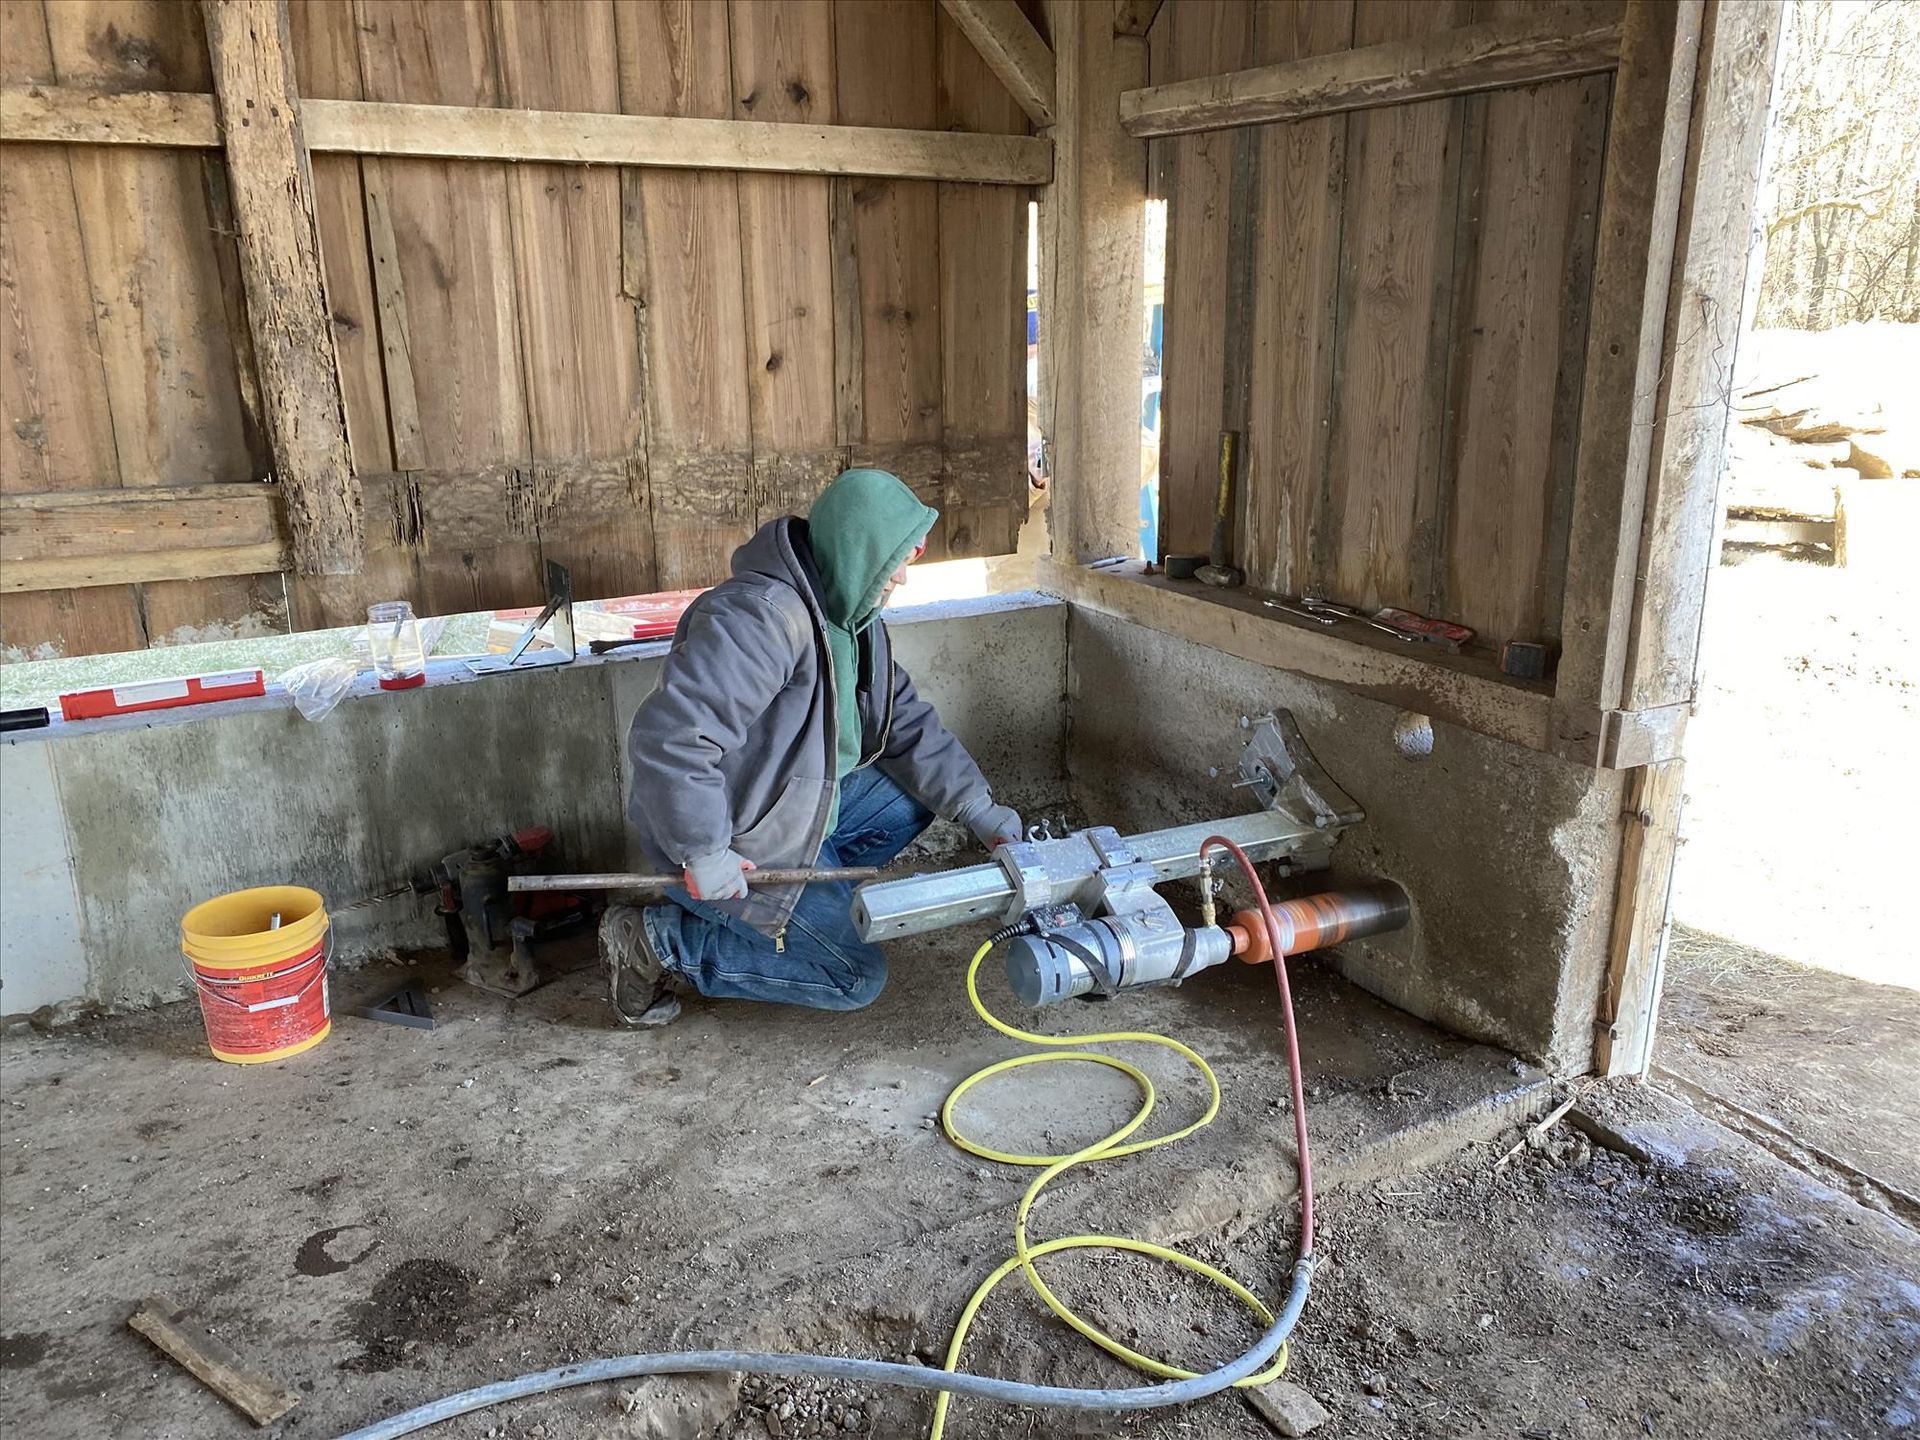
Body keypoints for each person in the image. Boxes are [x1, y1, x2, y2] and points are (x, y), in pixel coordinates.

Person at [606, 468, 1023, 1024]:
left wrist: (980, 810)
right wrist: (703, 850)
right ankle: (656, 941)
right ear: (858, 549)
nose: (900, 576)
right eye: (893, 559)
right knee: (853, 977)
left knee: (913, 797)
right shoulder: (759, 620)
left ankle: (795, 911)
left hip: (798, 813)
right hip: (738, 837)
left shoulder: (852, 619)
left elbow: (906, 722)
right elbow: (673, 740)